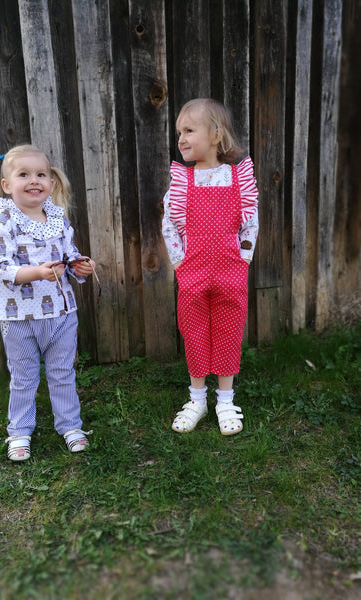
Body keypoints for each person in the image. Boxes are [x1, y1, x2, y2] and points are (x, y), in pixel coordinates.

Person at [0, 144, 95, 461]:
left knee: (62, 373)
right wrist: (37, 273)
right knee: (24, 377)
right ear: (6, 185)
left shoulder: (58, 219)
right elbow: (2, 269)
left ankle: (70, 426)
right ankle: (19, 431)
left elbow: (69, 255)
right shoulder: (4, 222)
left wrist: (80, 266)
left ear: (51, 182)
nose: (34, 180)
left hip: (61, 313)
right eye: (24, 175)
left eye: (41, 174)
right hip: (19, 318)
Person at [162, 98, 259, 436]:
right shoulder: (182, 181)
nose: (182, 138)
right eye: (179, 132)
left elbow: (250, 223)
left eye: (189, 130)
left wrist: (243, 259)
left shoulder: (237, 177)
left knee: (229, 331)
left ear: (216, 135)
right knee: (194, 331)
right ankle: (197, 398)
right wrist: (180, 263)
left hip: (232, 272)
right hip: (192, 273)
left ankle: (226, 400)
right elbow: (169, 225)